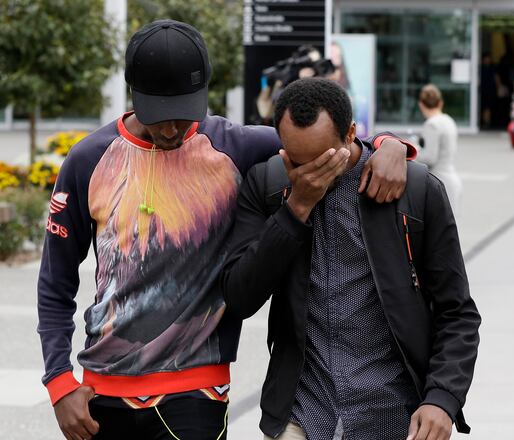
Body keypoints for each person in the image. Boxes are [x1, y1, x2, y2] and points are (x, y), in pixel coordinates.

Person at [37, 20, 415, 440]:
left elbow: (328, 141)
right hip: (100, 391)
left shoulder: (233, 146)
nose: (170, 129)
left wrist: (389, 144)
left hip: (195, 390)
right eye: (158, 116)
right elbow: (55, 282)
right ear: (133, 94)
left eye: (183, 115)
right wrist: (58, 381)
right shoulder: (88, 159)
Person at [221, 78, 481, 440]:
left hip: (394, 414)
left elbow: (458, 312)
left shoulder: (414, 190)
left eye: (324, 159)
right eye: (297, 160)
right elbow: (239, 296)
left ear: (350, 135)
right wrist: (295, 208)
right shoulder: (269, 185)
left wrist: (442, 398)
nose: (311, 173)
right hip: (303, 413)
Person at [417, 84, 462, 214]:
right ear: (440, 103)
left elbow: (430, 157)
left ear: (421, 104)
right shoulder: (449, 120)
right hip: (452, 179)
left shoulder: (431, 125)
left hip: (440, 181)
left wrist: (414, 152)